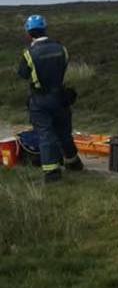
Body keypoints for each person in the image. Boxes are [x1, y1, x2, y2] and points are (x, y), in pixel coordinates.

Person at [16, 15, 83, 181]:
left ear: (29, 33)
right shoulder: (61, 48)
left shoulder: (29, 54)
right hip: (60, 97)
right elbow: (64, 66)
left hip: (40, 99)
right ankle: (73, 163)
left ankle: (52, 172)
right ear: (45, 29)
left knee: (46, 134)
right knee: (64, 132)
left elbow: (23, 74)